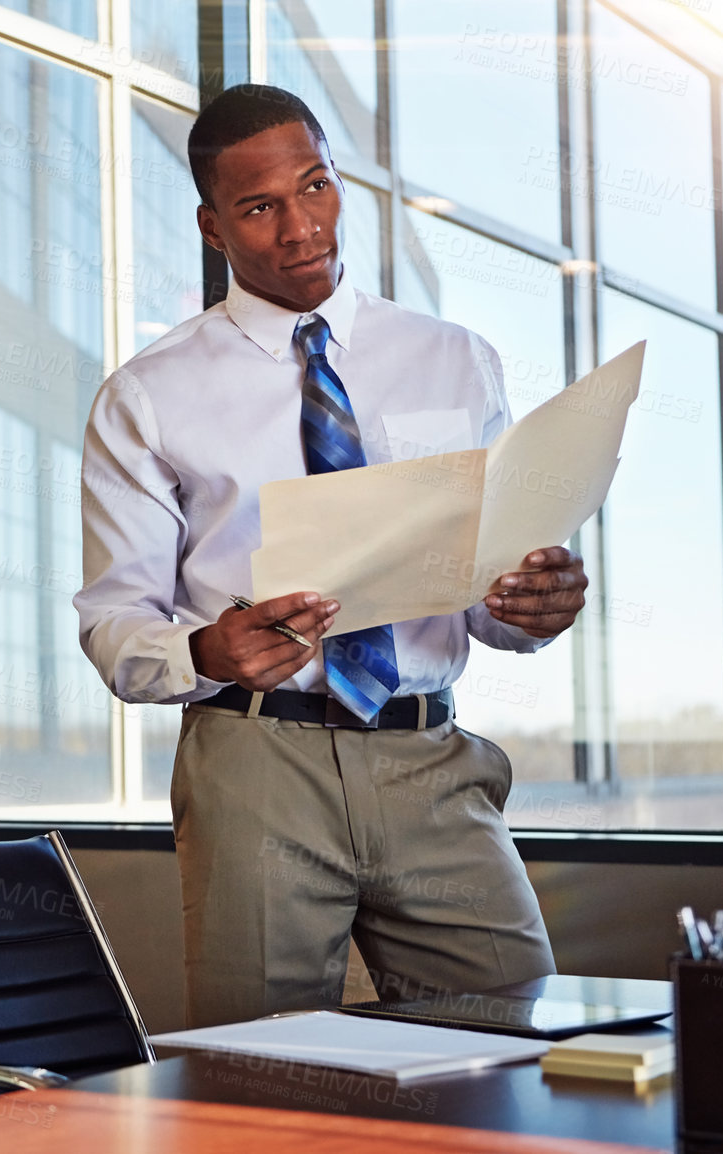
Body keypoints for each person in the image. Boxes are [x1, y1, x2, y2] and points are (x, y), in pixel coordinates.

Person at [74, 85, 587, 1026]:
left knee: (518, 1035)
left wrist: (529, 606)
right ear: (212, 227)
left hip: (432, 760)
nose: (301, 228)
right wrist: (206, 652)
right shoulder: (146, 396)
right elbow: (114, 623)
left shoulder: (455, 358)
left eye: (315, 187)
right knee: (259, 1078)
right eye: (260, 207)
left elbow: (486, 597)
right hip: (256, 765)